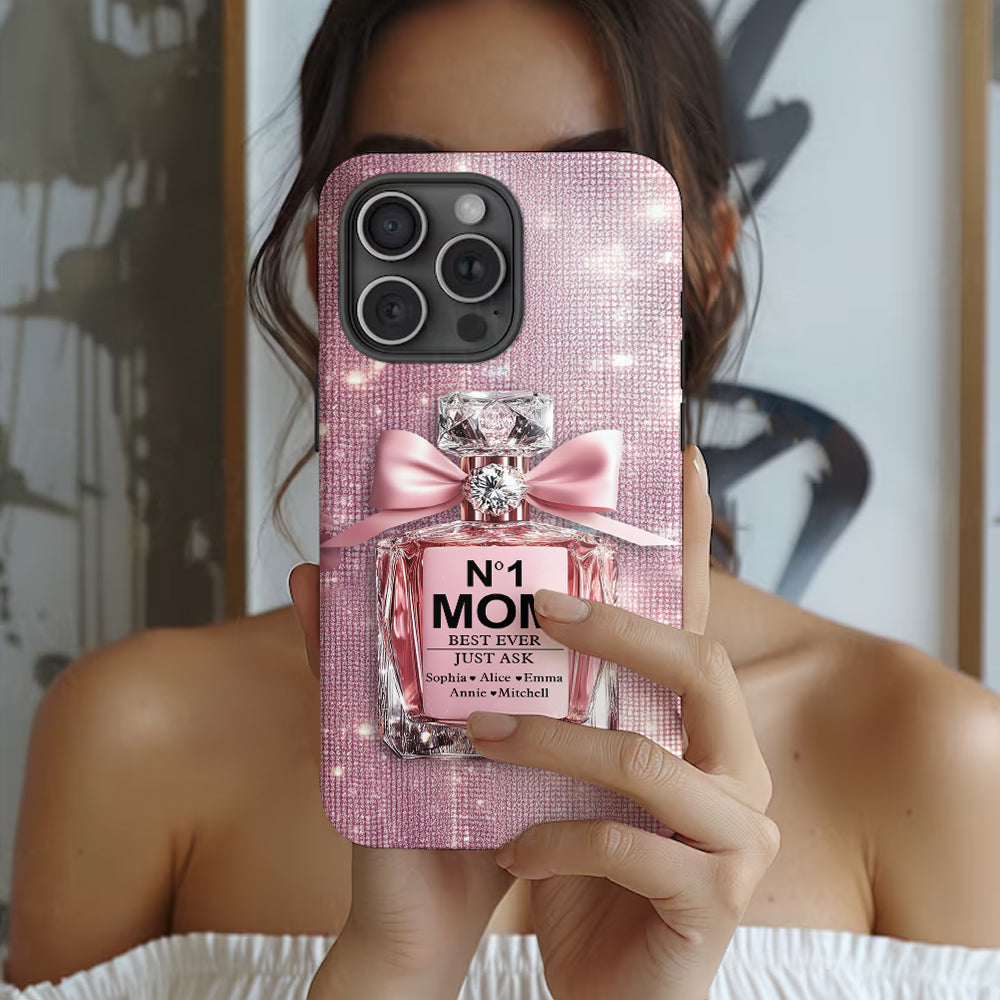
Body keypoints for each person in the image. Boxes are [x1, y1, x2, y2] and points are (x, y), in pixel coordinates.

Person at [5, 1, 1000, 997]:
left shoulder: (932, 756)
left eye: (581, 206)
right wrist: (395, 970)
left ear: (702, 260)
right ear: (327, 265)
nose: (498, 273)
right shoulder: (135, 738)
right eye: (411, 214)